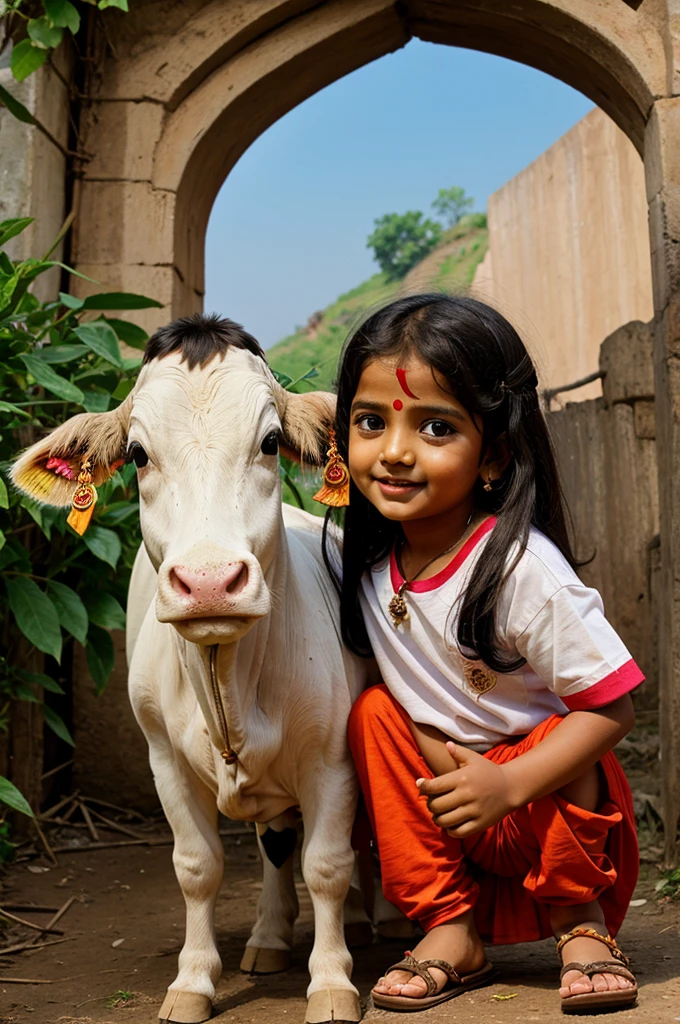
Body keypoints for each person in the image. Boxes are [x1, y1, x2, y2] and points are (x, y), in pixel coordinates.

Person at [322, 294, 641, 1014]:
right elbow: (411, 713)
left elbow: (613, 706)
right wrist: (451, 770)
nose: (396, 451)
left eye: (436, 426)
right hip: (449, 805)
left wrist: (511, 783)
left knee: (568, 729)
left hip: (550, 807)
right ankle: (449, 927)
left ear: (494, 452)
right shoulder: (368, 571)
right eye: (372, 422)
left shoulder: (521, 569)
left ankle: (578, 922)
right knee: (372, 713)